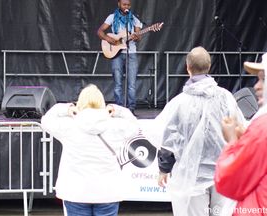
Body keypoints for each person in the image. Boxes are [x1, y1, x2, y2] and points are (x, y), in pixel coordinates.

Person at [144, 46, 245, 216]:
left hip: (191, 177)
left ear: (187, 67)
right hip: (225, 173)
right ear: (209, 66)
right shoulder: (226, 98)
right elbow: (240, 131)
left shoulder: (179, 103)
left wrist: (164, 169)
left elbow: (168, 140)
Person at [41, 84, 138, 216]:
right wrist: (117, 110)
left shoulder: (69, 125)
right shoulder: (116, 126)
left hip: (76, 192)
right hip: (107, 192)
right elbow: (134, 125)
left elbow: (46, 120)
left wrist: (66, 108)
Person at [215, 53, 267, 216]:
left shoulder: (262, 126)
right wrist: (246, 137)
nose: (257, 86)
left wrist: (232, 141)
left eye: (263, 79)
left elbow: (229, 180)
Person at [97, 0, 142, 114]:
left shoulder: (134, 19)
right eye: (124, 4)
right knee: (118, 83)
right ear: (119, 4)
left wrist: (137, 37)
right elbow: (100, 31)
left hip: (131, 53)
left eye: (128, 5)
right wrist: (108, 38)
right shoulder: (112, 17)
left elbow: (138, 37)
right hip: (116, 53)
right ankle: (118, 109)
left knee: (131, 84)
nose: (126, 6)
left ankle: (131, 109)